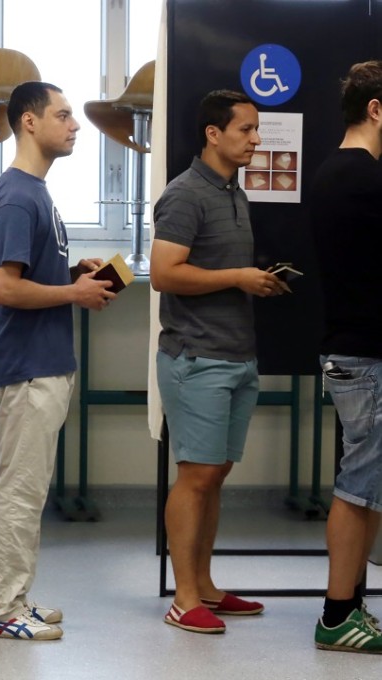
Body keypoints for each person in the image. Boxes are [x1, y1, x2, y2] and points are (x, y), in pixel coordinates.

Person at [0, 81, 114, 641]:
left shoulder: (37, 193)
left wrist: (70, 278)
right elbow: (4, 289)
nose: (75, 126)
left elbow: (29, 277)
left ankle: (15, 598)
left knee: (30, 489)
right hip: (28, 366)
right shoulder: (17, 196)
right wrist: (72, 295)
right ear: (28, 122)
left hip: (46, 362)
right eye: (63, 115)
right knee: (21, 489)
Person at [151, 89, 285, 634]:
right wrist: (237, 277)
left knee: (216, 474)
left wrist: (255, 280)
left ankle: (205, 586)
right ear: (214, 133)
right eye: (246, 130)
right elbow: (164, 274)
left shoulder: (234, 191)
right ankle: (184, 598)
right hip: (196, 356)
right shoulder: (185, 195)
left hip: (236, 353)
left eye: (256, 130)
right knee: (196, 476)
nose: (255, 139)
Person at [309, 60, 382, 653]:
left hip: (355, 350)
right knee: (359, 487)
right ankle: (337, 615)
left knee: (368, 485)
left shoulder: (338, 173)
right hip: (367, 356)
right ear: (376, 109)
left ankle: (350, 607)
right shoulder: (362, 179)